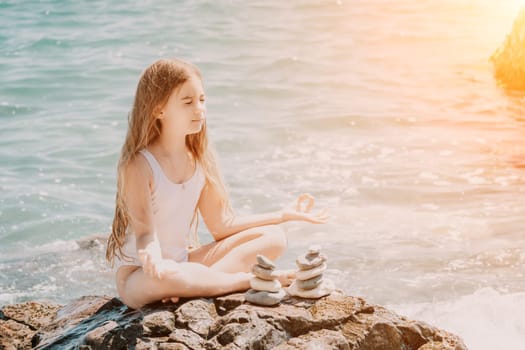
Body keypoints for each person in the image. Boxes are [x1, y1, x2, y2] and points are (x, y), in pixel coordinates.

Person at [105, 58, 329, 309]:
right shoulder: (139, 164)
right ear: (159, 110)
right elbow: (146, 233)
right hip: (141, 276)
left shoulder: (199, 161)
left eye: (202, 100)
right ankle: (241, 281)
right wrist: (152, 258)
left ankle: (197, 284)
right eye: (187, 102)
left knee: (274, 236)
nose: (199, 109)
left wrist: (283, 215)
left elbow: (223, 225)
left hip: (183, 263)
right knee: (168, 275)